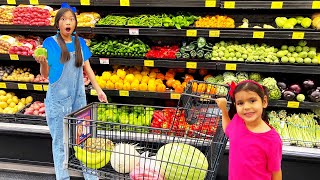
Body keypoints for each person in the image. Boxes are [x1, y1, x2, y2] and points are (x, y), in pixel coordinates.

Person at [34, 4, 107, 180]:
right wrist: (42, 62)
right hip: (58, 101)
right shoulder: (50, 43)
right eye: (64, 19)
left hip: (78, 99)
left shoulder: (79, 42)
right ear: (57, 23)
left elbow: (87, 67)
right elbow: (45, 75)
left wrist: (98, 89)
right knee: (60, 142)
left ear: (75, 23)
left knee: (83, 138)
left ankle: (91, 176)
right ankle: (62, 176)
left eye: (71, 19)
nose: (68, 22)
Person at [215, 80, 282, 180]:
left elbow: (276, 173)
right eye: (240, 103)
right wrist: (223, 109)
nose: (246, 107)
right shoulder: (238, 120)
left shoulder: (272, 140)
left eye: (252, 101)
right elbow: (228, 130)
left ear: (264, 102)